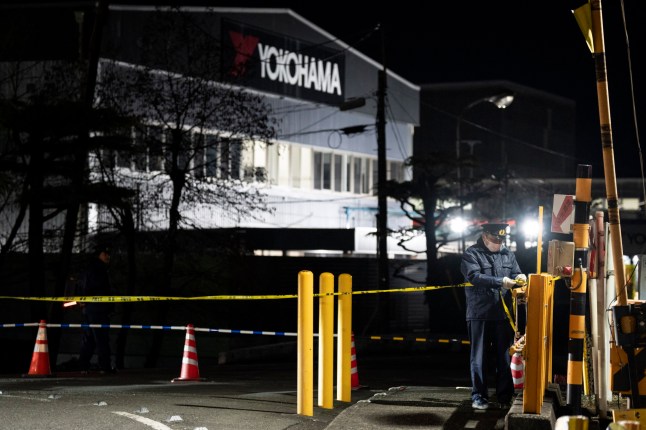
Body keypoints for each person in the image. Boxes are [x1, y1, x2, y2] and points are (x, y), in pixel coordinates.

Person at [461, 223, 526, 410]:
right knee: (479, 358)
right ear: (484, 236)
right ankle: (479, 397)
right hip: (479, 313)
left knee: (504, 357)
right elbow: (473, 276)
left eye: (501, 239)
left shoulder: (507, 254)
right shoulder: (472, 254)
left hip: (502, 314)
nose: (498, 242)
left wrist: (520, 277)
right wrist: (501, 281)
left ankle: (504, 397)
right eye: (494, 238)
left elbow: (515, 272)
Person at [78, 244, 115, 373]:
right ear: (99, 255)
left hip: (88, 310)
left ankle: (83, 366)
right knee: (101, 338)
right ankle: (104, 367)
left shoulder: (88, 268)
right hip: (98, 310)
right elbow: (95, 287)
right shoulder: (99, 270)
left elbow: (82, 286)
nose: (108, 256)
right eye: (105, 254)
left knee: (90, 339)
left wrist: (82, 299)